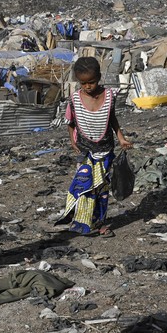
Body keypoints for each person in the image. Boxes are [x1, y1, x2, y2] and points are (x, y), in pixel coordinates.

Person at [56, 56, 132, 236]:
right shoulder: (75, 99)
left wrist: (121, 138)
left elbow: (111, 119)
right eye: (83, 83)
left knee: (102, 188)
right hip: (85, 150)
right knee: (83, 185)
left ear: (98, 77)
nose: (88, 86)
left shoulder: (108, 97)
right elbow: (70, 122)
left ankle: (99, 222)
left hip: (105, 150)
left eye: (91, 82)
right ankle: (81, 221)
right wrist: (72, 140)